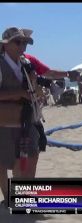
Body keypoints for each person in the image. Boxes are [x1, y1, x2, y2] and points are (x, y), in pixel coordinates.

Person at [0, 27, 43, 207]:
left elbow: (32, 91)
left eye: (25, 42)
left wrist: (35, 88)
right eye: (18, 42)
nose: (23, 46)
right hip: (4, 123)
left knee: (30, 156)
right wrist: (18, 93)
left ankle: (23, 197)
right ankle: (11, 197)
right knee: (4, 163)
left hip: (27, 120)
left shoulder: (25, 64)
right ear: (6, 44)